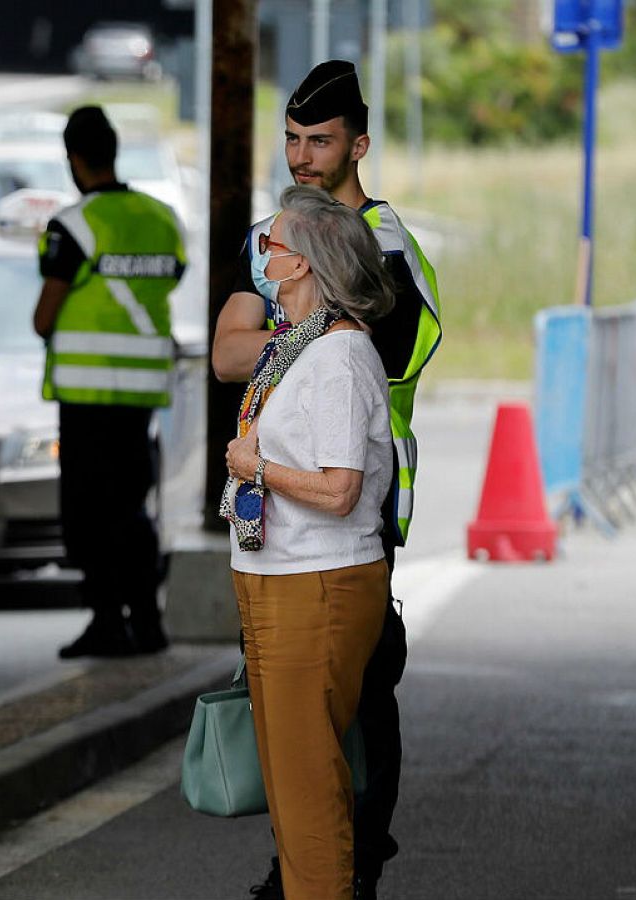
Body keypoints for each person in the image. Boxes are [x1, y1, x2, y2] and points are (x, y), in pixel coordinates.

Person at [212, 60, 441, 900]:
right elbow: (224, 354)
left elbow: (374, 355)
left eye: (321, 141)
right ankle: (304, 869)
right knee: (293, 737)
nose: (302, 156)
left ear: (360, 144)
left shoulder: (382, 246)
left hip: (351, 527)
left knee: (358, 718)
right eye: (293, 139)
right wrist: (289, 328)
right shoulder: (279, 239)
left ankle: (347, 874)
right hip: (277, 537)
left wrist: (297, 332)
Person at [222, 185, 395, 900]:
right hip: (275, 573)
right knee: (288, 781)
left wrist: (258, 468)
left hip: (316, 582)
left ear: (304, 264)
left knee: (308, 783)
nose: (263, 257)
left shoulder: (339, 356)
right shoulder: (301, 342)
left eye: (272, 245)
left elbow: (340, 488)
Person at [32, 105, 187, 658]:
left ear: (74, 160)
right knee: (131, 507)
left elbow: (43, 317)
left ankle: (106, 621)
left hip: (87, 395)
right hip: (141, 393)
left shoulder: (72, 225)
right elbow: (173, 274)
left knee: (89, 512)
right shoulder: (163, 218)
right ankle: (146, 620)